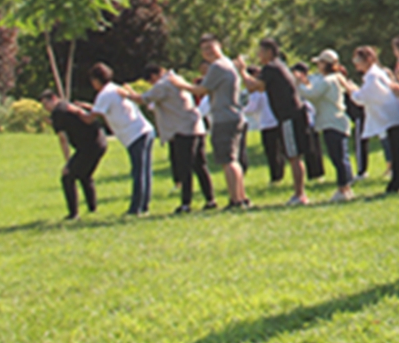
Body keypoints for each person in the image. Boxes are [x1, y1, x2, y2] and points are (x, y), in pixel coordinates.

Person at [127, 63, 217, 213]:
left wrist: (128, 93)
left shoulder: (163, 84)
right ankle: (210, 199)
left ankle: (186, 203)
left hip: (182, 130)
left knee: (184, 168)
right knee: (200, 166)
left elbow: (143, 99)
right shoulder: (176, 78)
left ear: (155, 76)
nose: (152, 84)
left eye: (150, 81)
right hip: (196, 126)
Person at [243, 38, 309, 206]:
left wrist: (242, 70)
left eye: (260, 51)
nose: (258, 55)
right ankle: (299, 193)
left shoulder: (271, 67)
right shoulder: (277, 67)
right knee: (294, 156)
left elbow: (254, 86)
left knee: (293, 156)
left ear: (269, 52)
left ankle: (299, 195)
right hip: (292, 115)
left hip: (289, 116)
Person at [88, 63, 155, 216]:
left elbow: (90, 118)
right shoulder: (113, 88)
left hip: (135, 134)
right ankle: (144, 206)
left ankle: (135, 208)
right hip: (144, 130)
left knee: (138, 171)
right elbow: (99, 110)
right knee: (145, 170)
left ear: (96, 80)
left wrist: (74, 111)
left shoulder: (104, 94)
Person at [193, 34, 250, 210]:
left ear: (219, 46)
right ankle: (241, 196)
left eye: (211, 47)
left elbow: (202, 89)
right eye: (204, 49)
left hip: (225, 118)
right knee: (234, 160)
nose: (208, 52)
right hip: (234, 116)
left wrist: (178, 84)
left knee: (228, 160)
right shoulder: (228, 64)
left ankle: (235, 200)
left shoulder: (218, 66)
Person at [351, 46, 399, 194]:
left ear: (368, 60)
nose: (355, 64)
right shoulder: (374, 74)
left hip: (394, 118)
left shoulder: (373, 76)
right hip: (394, 117)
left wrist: (352, 91)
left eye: (357, 60)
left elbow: (364, 97)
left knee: (398, 151)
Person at [299, 49, 356, 202]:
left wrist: (298, 85)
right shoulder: (333, 79)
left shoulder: (328, 80)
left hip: (332, 122)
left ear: (326, 64)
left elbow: (313, 95)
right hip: (336, 121)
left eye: (320, 63)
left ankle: (343, 188)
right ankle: (346, 187)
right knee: (341, 156)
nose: (318, 66)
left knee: (338, 156)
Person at [43, 87, 106, 219]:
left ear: (54, 99)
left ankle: (73, 213)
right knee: (84, 175)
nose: (45, 108)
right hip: (100, 141)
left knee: (68, 177)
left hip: (89, 146)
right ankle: (92, 208)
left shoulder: (58, 113)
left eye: (46, 104)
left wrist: (68, 163)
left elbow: (62, 139)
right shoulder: (66, 105)